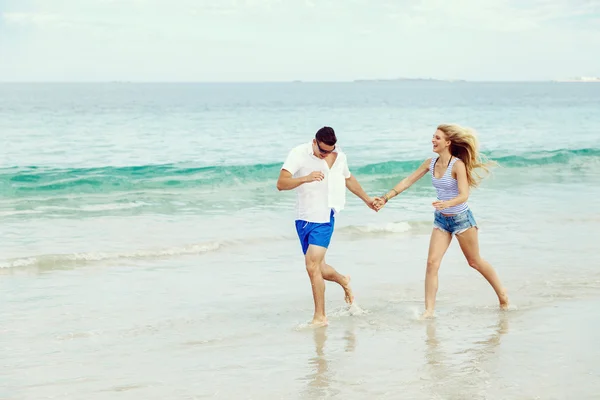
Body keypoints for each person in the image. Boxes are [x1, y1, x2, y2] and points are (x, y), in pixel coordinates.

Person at [374, 124, 509, 318]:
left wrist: (448, 203)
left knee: (474, 261)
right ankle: (429, 311)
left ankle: (502, 296)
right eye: (433, 137)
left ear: (448, 142)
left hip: (462, 219)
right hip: (441, 221)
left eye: (437, 138)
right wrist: (385, 198)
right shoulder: (431, 163)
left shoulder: (457, 165)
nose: (433, 140)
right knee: (432, 263)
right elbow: (408, 181)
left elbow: (464, 195)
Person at [277, 126, 377, 326]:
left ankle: (320, 317)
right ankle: (343, 281)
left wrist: (367, 200)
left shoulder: (339, 156)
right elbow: (281, 183)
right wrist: (305, 177)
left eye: (329, 151)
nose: (326, 155)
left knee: (311, 266)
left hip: (325, 216)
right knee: (319, 268)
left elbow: (348, 178)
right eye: (322, 151)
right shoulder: (299, 153)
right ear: (314, 142)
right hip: (303, 217)